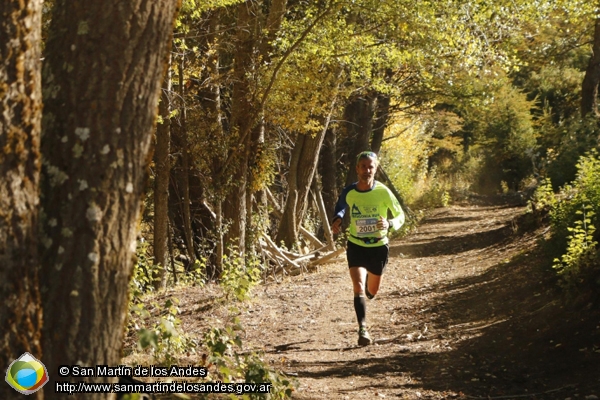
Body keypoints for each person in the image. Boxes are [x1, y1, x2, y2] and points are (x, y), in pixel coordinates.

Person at [331, 151, 405, 346]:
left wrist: (389, 223)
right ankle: (362, 329)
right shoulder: (350, 191)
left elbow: (400, 216)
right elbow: (340, 206)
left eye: (370, 166)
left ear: (376, 168)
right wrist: (337, 219)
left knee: (372, 291)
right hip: (356, 244)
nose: (367, 170)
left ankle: (369, 291)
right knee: (358, 287)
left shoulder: (383, 192)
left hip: (379, 247)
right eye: (363, 166)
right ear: (357, 169)